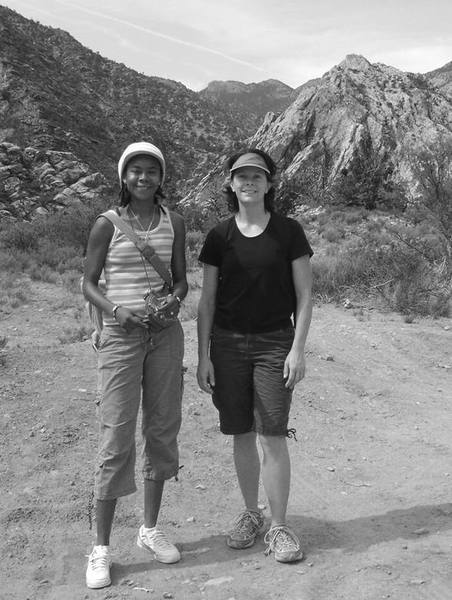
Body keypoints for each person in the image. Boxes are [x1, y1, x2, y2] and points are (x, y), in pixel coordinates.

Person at [196, 149, 313, 563]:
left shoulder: (289, 232)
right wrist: (202, 356)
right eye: (241, 176)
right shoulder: (218, 236)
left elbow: (304, 295)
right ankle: (251, 514)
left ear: (269, 184)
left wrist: (297, 350)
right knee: (241, 431)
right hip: (226, 345)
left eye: (257, 176)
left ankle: (278, 525)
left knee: (273, 433)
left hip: (273, 343)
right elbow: (207, 302)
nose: (249, 182)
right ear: (230, 183)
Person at [82, 141, 187, 589]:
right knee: (117, 435)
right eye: (135, 171)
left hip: (163, 336)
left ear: (162, 178)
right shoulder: (107, 224)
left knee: (162, 430)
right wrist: (116, 312)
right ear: (123, 177)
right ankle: (101, 549)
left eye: (152, 171)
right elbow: (88, 283)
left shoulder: (174, 223)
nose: (143, 178)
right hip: (121, 337)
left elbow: (181, 279)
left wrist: (173, 301)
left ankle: (149, 530)